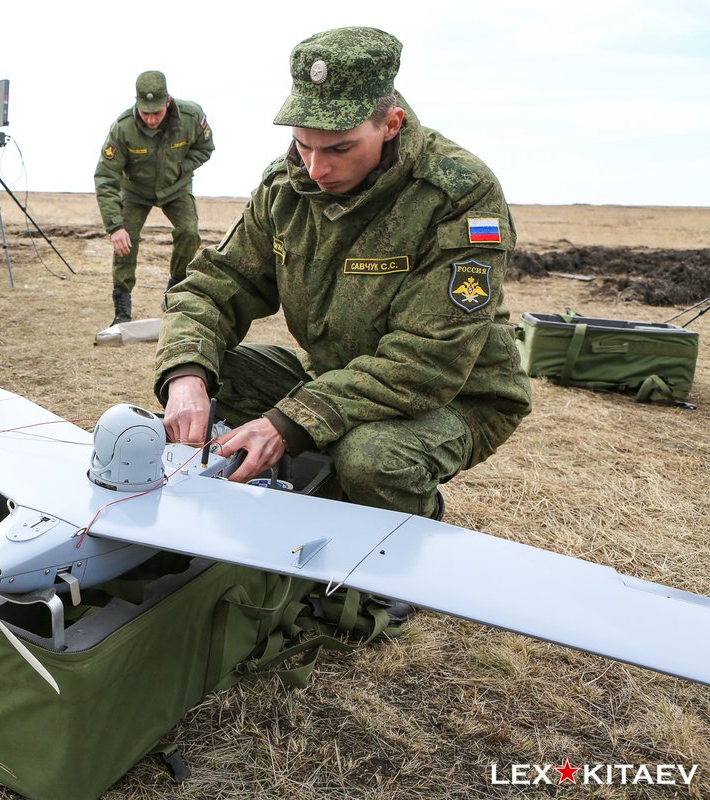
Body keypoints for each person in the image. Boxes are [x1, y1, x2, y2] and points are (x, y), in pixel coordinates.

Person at [155, 27, 531, 519]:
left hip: (457, 397)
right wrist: (186, 375)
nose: (315, 169)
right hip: (337, 376)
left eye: (339, 149)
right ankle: (304, 495)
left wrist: (290, 422)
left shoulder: (456, 194)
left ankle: (401, 550)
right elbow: (215, 286)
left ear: (391, 124)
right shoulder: (285, 188)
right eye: (303, 145)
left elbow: (426, 363)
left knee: (373, 459)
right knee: (210, 373)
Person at [94, 70, 214, 326]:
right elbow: (106, 177)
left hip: (176, 189)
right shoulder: (123, 127)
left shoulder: (192, 117)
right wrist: (115, 226)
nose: (150, 119)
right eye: (145, 112)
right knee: (126, 241)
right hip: (136, 191)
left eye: (156, 113)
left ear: (167, 102)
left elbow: (205, 148)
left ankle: (174, 287)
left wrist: (181, 169)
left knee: (189, 232)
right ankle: (122, 309)